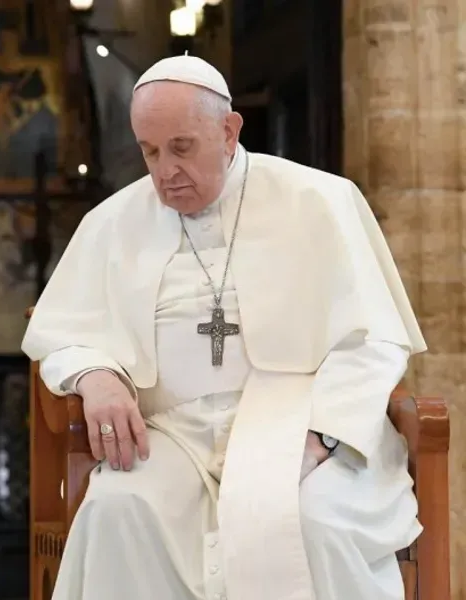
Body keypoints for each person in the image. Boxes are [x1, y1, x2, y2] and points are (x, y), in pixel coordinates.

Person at [22, 55, 426, 600]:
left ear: (230, 130)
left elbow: (374, 341)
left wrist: (323, 435)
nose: (165, 171)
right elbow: (64, 331)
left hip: (299, 426)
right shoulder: (112, 223)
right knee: (117, 509)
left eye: (181, 147)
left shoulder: (320, 201)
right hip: (170, 436)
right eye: (150, 152)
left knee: (316, 522)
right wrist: (96, 375)